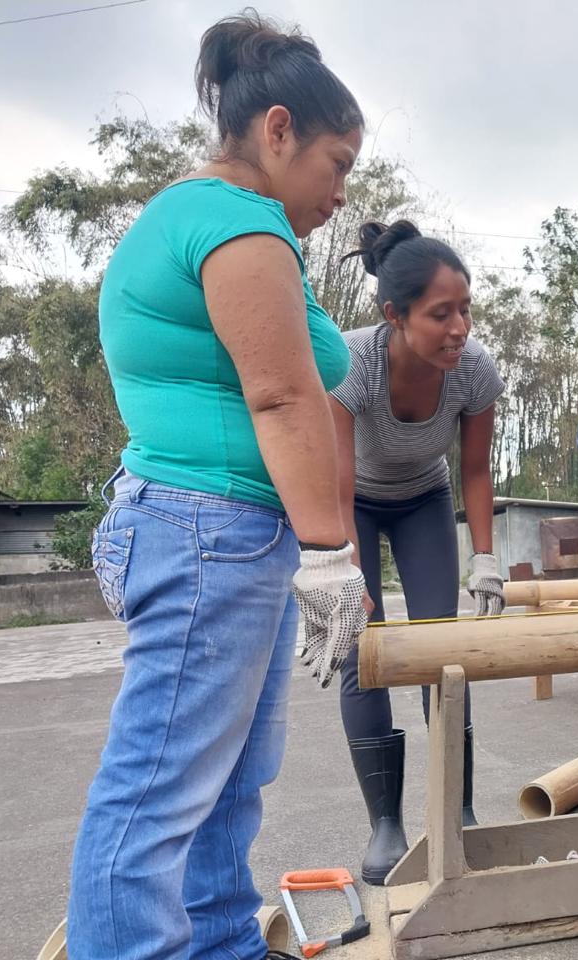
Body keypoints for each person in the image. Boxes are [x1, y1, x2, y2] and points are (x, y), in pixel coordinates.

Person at [68, 13, 365, 960]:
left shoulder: (223, 221)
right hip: (209, 530)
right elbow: (281, 396)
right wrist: (330, 552)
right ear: (276, 130)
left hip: (220, 532)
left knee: (229, 778)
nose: (341, 190)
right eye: (336, 161)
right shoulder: (235, 223)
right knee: (158, 792)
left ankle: (221, 944)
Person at [330, 220, 505, 884]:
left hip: (425, 501)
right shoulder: (351, 362)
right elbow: (336, 479)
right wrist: (341, 565)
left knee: (442, 653)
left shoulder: (475, 370)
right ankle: (385, 826)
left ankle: (456, 812)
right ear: (394, 316)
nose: (459, 326)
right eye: (441, 313)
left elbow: (478, 471)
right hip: (357, 502)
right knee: (362, 650)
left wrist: (483, 556)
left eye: (465, 308)